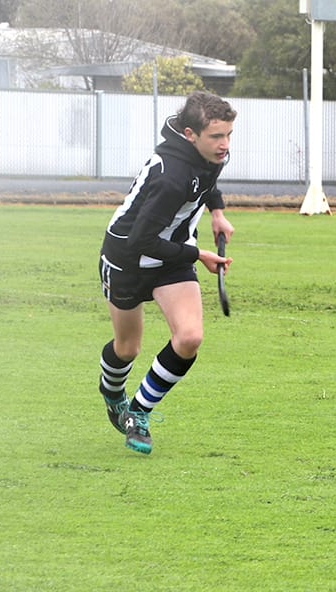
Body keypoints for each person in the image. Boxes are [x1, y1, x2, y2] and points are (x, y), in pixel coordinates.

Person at [97, 90, 236, 454]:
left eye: (228, 135)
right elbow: (140, 240)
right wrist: (199, 253)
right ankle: (112, 393)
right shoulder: (171, 176)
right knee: (128, 349)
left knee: (189, 337)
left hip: (172, 258)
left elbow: (208, 179)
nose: (224, 145)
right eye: (216, 137)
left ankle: (138, 413)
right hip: (127, 258)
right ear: (190, 135)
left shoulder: (208, 151)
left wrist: (217, 212)